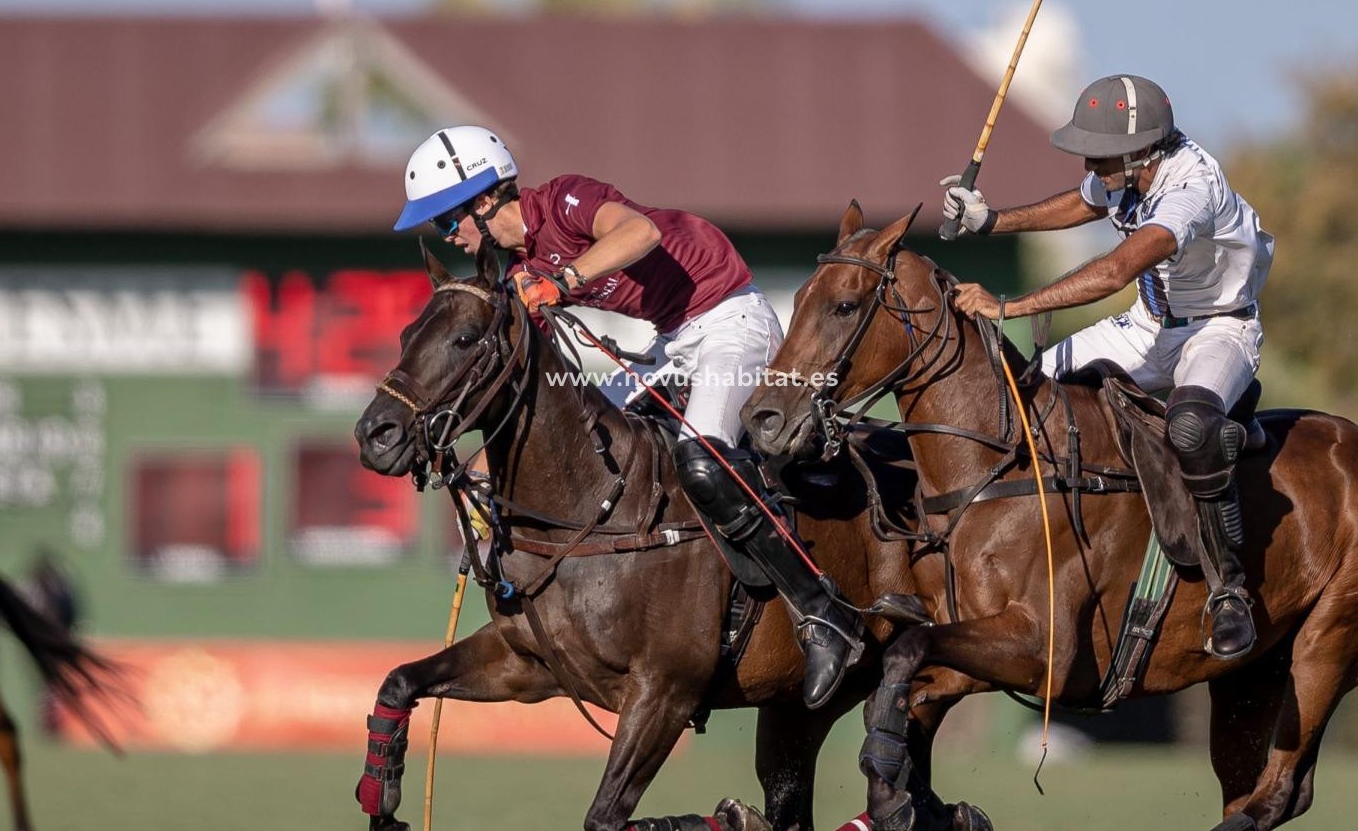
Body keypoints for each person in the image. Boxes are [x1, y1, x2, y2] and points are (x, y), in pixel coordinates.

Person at [395, 125, 861, 707]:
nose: (449, 236)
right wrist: (491, 477)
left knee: (701, 456)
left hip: (729, 320)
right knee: (591, 441)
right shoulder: (517, 272)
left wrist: (563, 280)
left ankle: (823, 612)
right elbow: (535, 393)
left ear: (485, 199)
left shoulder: (564, 201)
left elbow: (640, 231)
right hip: (672, 343)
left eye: (446, 220)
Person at [940, 75, 1272, 660]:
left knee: (1190, 428)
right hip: (1150, 323)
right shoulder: (1129, 169)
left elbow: (1117, 268)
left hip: (1220, 327)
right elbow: (1084, 200)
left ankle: (1229, 593)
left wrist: (1011, 306)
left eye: (1099, 151)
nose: (1088, 161)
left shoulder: (1189, 187)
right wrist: (991, 221)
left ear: (1141, 150)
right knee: (1023, 393)